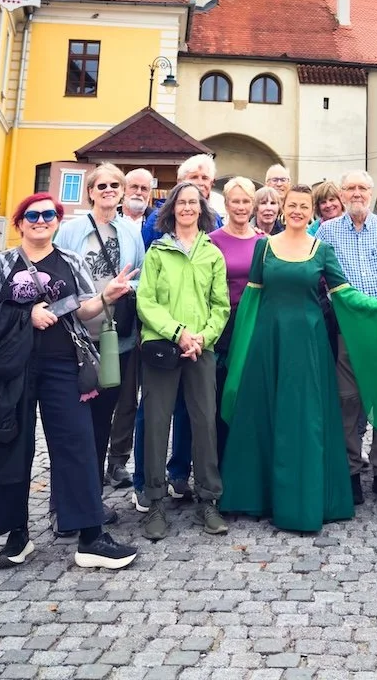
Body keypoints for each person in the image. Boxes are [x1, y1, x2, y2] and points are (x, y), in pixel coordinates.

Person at [0, 193, 139, 571]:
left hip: (64, 365)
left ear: (57, 221)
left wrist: (106, 296)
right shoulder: (1, 263)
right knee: (11, 447)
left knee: (77, 444)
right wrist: (27, 315)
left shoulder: (71, 261)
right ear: (20, 222)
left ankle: (90, 536)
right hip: (12, 369)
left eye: (48, 215)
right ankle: (17, 536)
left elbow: (83, 308)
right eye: (33, 215)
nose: (41, 220)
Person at [219, 185, 377, 532]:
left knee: (304, 418)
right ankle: (260, 496)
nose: (296, 211)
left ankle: (305, 498)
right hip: (268, 343)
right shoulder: (264, 248)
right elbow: (250, 303)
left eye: (303, 206)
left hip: (307, 345)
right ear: (282, 209)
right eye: (291, 205)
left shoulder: (321, 249)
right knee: (265, 415)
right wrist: (241, 352)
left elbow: (346, 295)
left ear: (311, 213)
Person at [136, 182, 230, 539]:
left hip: (201, 349)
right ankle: (155, 501)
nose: (188, 208)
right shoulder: (158, 252)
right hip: (162, 347)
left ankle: (208, 500)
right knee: (158, 423)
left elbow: (220, 305)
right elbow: (146, 302)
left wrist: (203, 336)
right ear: (172, 208)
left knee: (204, 422)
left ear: (201, 210)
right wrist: (178, 334)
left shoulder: (212, 253)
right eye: (182, 202)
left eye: (194, 202)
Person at [52, 164, 144, 518]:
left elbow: (141, 278)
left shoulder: (130, 233)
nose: (108, 190)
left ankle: (89, 501)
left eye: (114, 185)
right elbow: (57, 278)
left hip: (113, 341)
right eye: (101, 185)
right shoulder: (72, 230)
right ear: (90, 191)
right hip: (76, 339)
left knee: (101, 422)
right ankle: (62, 504)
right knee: (71, 425)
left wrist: (121, 290)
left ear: (122, 192)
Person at [320, 170, 377, 505]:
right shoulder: (327, 231)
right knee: (348, 401)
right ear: (341, 194)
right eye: (350, 188)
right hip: (348, 329)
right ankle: (350, 470)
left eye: (362, 188)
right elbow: (328, 279)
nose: (357, 193)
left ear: (371, 193)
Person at [104, 167, 153, 488]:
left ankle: (118, 459)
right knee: (103, 391)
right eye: (132, 186)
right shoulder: (111, 224)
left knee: (129, 398)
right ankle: (93, 455)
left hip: (142, 323)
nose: (137, 192)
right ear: (123, 190)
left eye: (144, 188)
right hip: (106, 318)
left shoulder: (154, 225)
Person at [209, 177, 259, 457]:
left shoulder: (264, 242)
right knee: (223, 394)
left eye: (245, 201)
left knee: (249, 396)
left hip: (253, 324)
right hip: (224, 327)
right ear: (226, 204)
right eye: (235, 201)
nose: (241, 207)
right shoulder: (213, 241)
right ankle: (221, 461)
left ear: (252, 204)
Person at [142, 155, 223, 247]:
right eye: (194, 177)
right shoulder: (158, 218)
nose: (200, 183)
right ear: (180, 182)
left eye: (205, 178)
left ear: (211, 183)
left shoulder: (215, 219)